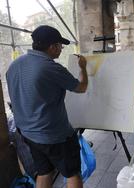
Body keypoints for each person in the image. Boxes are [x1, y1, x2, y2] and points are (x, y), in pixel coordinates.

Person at [6, 25, 88, 188]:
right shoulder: (51, 67)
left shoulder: (14, 65)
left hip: (29, 134)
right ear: (52, 47)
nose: (61, 49)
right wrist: (83, 68)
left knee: (44, 172)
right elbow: (81, 87)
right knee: (72, 174)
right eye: (60, 46)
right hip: (55, 136)